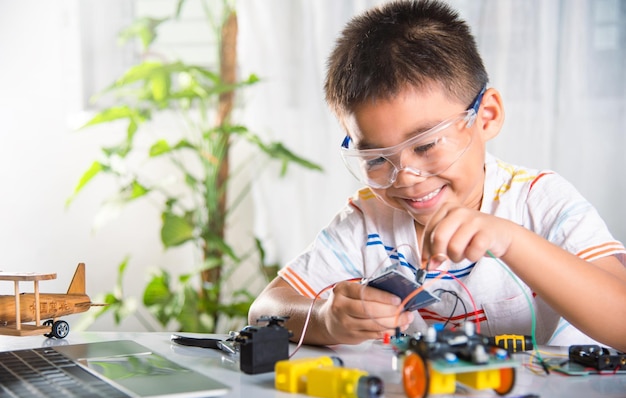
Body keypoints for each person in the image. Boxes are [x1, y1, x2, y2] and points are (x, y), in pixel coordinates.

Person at [248, 0, 626, 352]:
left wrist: (512, 241)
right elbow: (264, 310)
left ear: (487, 116)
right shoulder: (367, 223)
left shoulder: (539, 201)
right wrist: (326, 319)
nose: (406, 177)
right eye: (377, 158)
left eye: (426, 146)